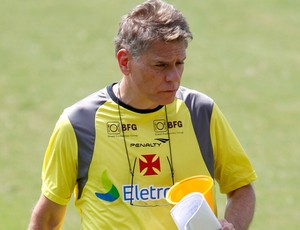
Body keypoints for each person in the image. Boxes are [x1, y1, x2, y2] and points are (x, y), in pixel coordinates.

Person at [29, 0, 257, 229]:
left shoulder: (200, 112)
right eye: (161, 66)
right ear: (125, 61)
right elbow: (47, 217)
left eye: (180, 63)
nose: (174, 77)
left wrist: (233, 226)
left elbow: (241, 188)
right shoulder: (79, 124)